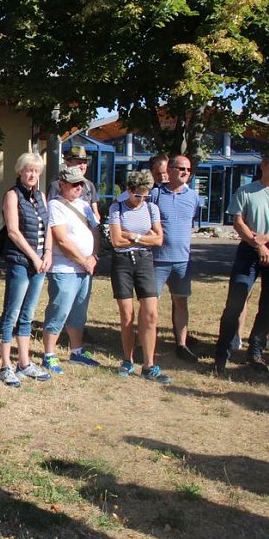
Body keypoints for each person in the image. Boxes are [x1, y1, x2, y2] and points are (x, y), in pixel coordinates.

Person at [108, 171, 172, 384]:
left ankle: (149, 365)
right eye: (138, 196)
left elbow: (159, 239)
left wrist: (133, 236)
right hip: (122, 262)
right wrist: (145, 237)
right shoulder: (117, 208)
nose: (141, 200)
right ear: (129, 190)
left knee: (151, 314)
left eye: (146, 196)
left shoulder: (152, 208)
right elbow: (116, 241)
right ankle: (128, 360)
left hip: (145, 261)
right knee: (127, 314)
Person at [0, 153, 52, 387]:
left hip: (40, 263)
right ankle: (5, 366)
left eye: (36, 171)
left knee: (28, 314)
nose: (32, 175)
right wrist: (34, 257)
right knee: (11, 313)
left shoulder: (41, 196)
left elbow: (48, 227)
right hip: (20, 261)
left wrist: (47, 252)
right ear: (20, 171)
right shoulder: (12, 195)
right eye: (28, 170)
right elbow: (13, 231)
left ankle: (24, 362)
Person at [41, 165, 101, 374]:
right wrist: (84, 261)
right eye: (74, 184)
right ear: (62, 185)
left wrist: (93, 257)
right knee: (59, 311)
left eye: (81, 184)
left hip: (85, 268)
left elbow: (95, 231)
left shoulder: (85, 205)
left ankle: (76, 351)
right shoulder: (55, 205)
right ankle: (49, 355)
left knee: (78, 313)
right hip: (65, 269)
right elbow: (62, 239)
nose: (79, 187)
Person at [213, 153, 269, 373]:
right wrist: (258, 244)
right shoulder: (246, 191)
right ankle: (222, 355)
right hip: (248, 251)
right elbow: (238, 222)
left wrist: (265, 239)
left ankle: (255, 352)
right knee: (235, 302)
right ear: (263, 165)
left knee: (267, 307)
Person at [150, 154, 201, 363]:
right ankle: (146, 343)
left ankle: (181, 344)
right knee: (150, 304)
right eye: (181, 168)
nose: (185, 172)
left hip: (182, 261)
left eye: (188, 169)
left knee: (181, 302)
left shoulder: (193, 197)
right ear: (170, 170)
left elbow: (191, 221)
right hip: (158, 260)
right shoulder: (155, 194)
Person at [47, 146, 101, 221]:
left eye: (85, 163)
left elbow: (96, 212)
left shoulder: (89, 185)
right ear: (68, 163)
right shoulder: (57, 185)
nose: (82, 166)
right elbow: (50, 212)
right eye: (79, 163)